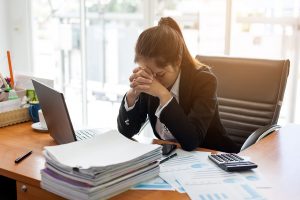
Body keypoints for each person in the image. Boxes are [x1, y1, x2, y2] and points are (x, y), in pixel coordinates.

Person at [117, 17, 239, 153]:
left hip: (213, 156)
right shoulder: (148, 77)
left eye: (160, 74)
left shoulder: (204, 81)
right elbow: (126, 132)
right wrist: (132, 96)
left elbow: (191, 141)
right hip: (173, 158)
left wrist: (163, 95)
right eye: (148, 72)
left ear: (178, 61)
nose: (153, 80)